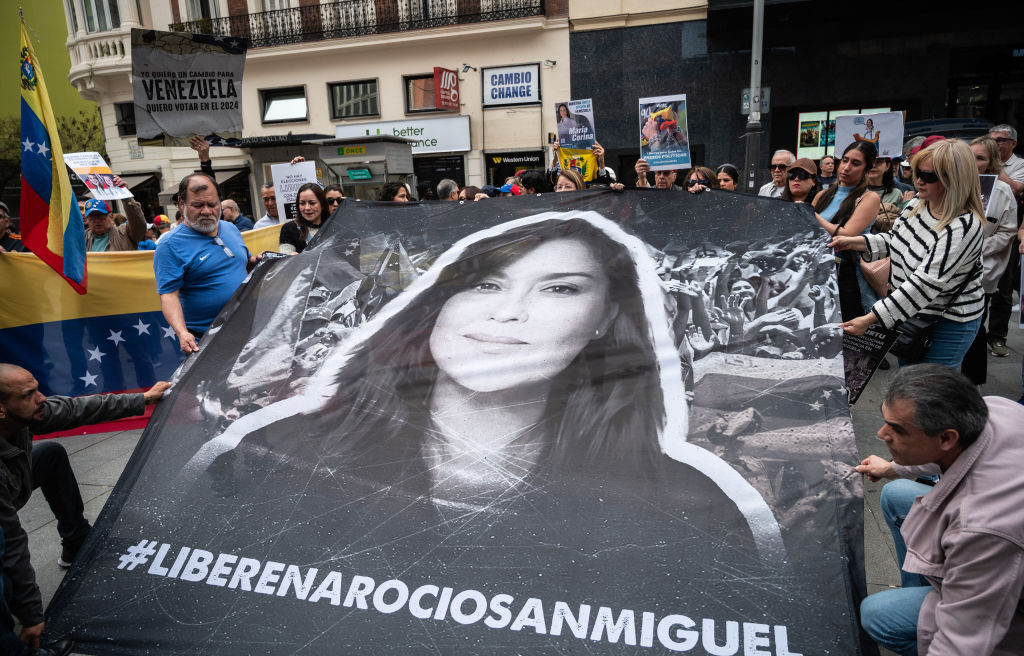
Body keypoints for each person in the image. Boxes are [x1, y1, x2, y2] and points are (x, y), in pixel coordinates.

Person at [186, 212, 787, 564]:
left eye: (560, 289)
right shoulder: (280, 451)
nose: (508, 314)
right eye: (487, 285)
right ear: (439, 301)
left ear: (606, 318)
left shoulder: (686, 503)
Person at [0, 363, 170, 656]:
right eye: (28, 395)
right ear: (1, 409)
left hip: (9, 488)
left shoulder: (20, 414)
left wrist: (143, 399)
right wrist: (33, 616)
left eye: (37, 388)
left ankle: (76, 541)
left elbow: (75, 409)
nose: (41, 399)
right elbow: (11, 543)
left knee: (49, 454)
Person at [855, 364, 1024, 656]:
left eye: (897, 429)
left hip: (1008, 606)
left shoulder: (983, 527)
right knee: (897, 493)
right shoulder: (996, 410)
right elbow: (956, 451)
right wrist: (893, 467)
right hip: (993, 557)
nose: (880, 434)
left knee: (878, 616)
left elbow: (961, 645)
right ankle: (932, 595)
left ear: (946, 437)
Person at [830, 139, 985, 368]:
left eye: (928, 176)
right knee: (910, 382)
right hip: (910, 312)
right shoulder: (918, 203)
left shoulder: (963, 226)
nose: (919, 180)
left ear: (953, 179)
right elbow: (897, 240)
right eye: (916, 172)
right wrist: (855, 242)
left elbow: (925, 284)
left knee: (929, 390)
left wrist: (872, 318)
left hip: (947, 320)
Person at [154, 173, 258, 355]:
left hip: (247, 333)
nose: (207, 211)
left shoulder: (231, 228)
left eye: (212, 204)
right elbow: (169, 295)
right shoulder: (169, 245)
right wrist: (181, 332)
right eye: (197, 205)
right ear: (181, 204)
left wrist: (258, 261)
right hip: (206, 342)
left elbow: (243, 265)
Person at [960, 136, 1019, 384]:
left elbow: (1008, 231)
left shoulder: (1003, 191)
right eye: (970, 156)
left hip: (983, 269)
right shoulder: (954, 184)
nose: (974, 163)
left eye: (981, 158)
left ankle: (971, 382)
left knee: (974, 326)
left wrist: (978, 247)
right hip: (951, 269)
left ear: (991, 162)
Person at [813, 140, 882, 319]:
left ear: (867, 169)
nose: (846, 167)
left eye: (855, 163)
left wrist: (812, 216)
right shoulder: (822, 195)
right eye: (845, 160)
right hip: (816, 272)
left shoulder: (869, 198)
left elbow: (847, 234)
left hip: (846, 274)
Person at [986, 124, 1024, 359]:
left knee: (1003, 289)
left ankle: (997, 337)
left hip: (1006, 233)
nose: (996, 144)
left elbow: (1017, 188)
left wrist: (995, 167)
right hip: (983, 230)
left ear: (1013, 143)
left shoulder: (1019, 166)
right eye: (992, 140)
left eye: (1001, 140)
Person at [279, 182, 328, 255]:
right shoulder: (289, 228)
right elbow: (284, 255)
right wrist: (290, 256)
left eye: (312, 203)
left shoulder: (334, 225)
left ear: (322, 205)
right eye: (302, 203)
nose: (307, 208)